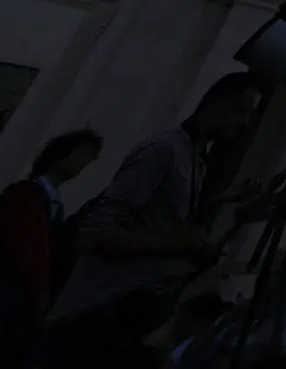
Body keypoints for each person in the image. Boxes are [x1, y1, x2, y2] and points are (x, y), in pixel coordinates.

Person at [39, 73, 265, 369]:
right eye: (242, 112)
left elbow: (162, 217)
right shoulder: (163, 150)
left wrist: (220, 204)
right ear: (219, 103)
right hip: (93, 313)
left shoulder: (194, 159)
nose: (245, 123)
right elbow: (96, 234)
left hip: (122, 318)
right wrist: (177, 245)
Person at [0, 128, 103, 366]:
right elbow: (24, 251)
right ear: (60, 154)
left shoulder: (52, 204)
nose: (83, 164)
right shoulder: (25, 194)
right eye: (81, 154)